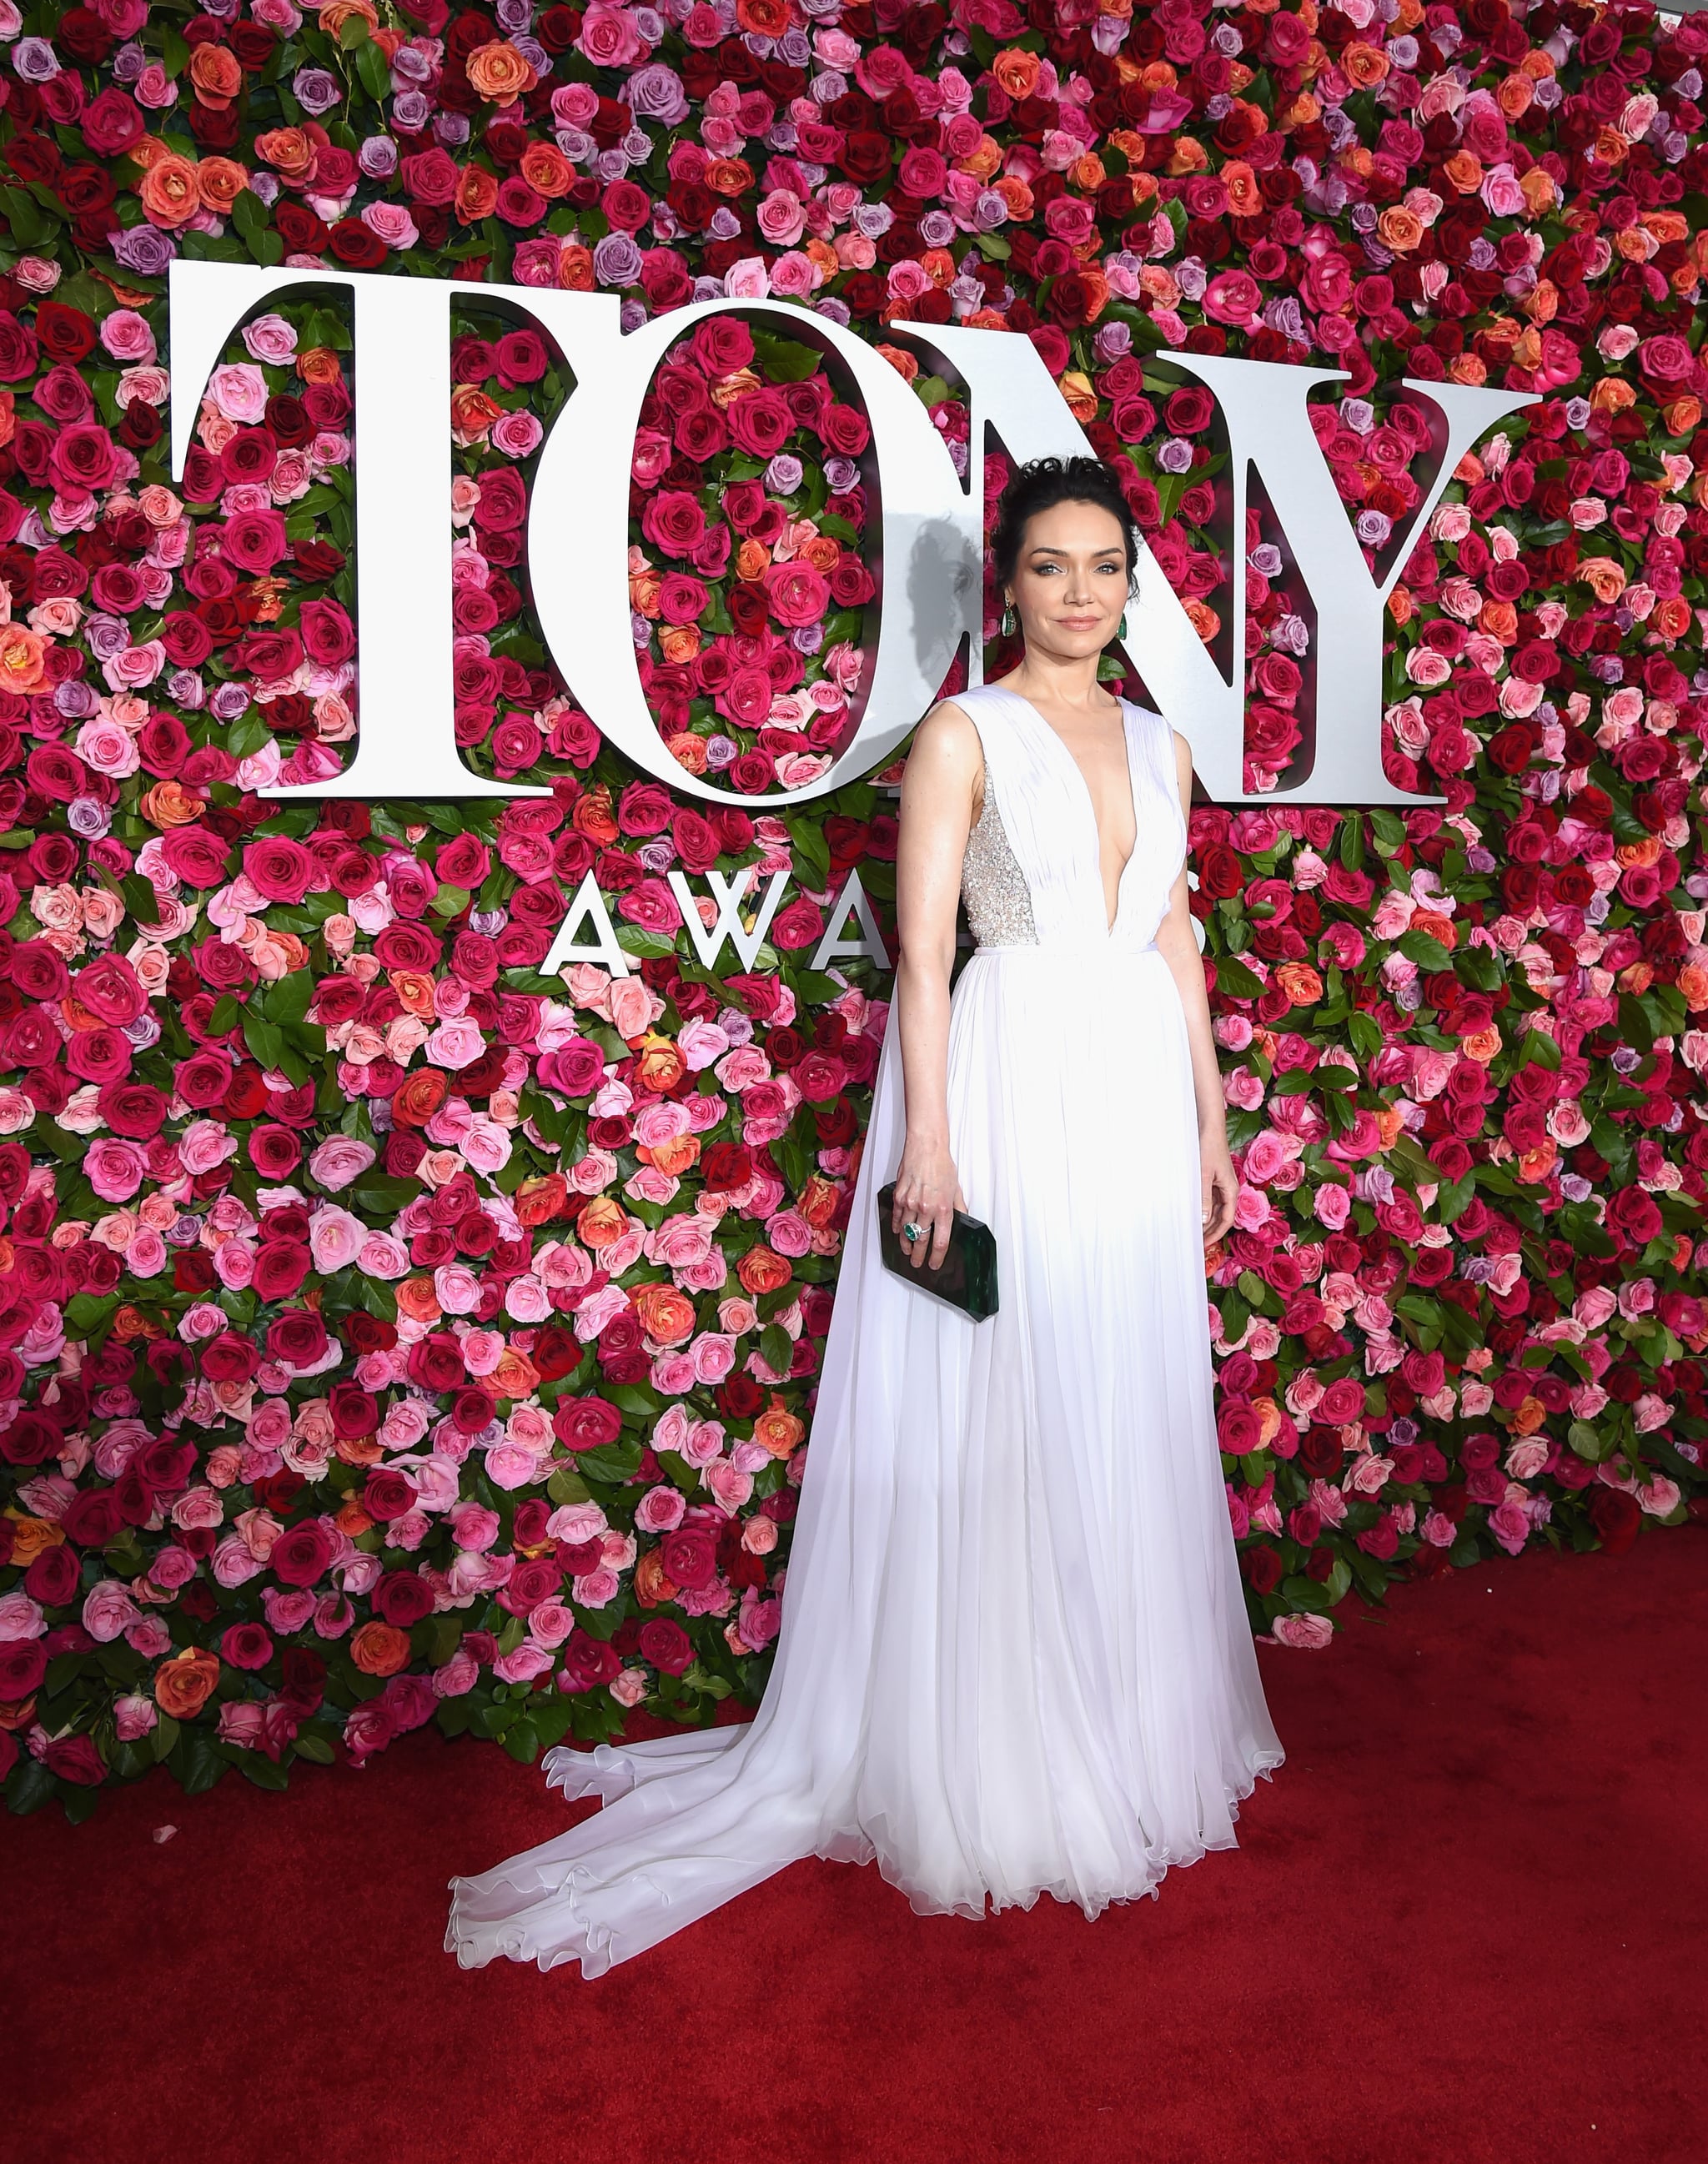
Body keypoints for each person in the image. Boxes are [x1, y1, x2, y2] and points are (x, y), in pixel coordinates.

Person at [446, 454, 1286, 1977]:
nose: (1081, 592)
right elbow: (919, 959)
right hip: (1011, 1073)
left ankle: (1125, 1712)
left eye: (1105, 565)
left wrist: (1216, 1120)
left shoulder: (1166, 748)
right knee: (1011, 1397)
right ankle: (1006, 1751)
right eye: (1050, 566)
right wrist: (936, 1150)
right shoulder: (964, 732)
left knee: (1121, 1391)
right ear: (1006, 584)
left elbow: (1172, 936)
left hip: (1135, 1093)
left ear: (1134, 583)